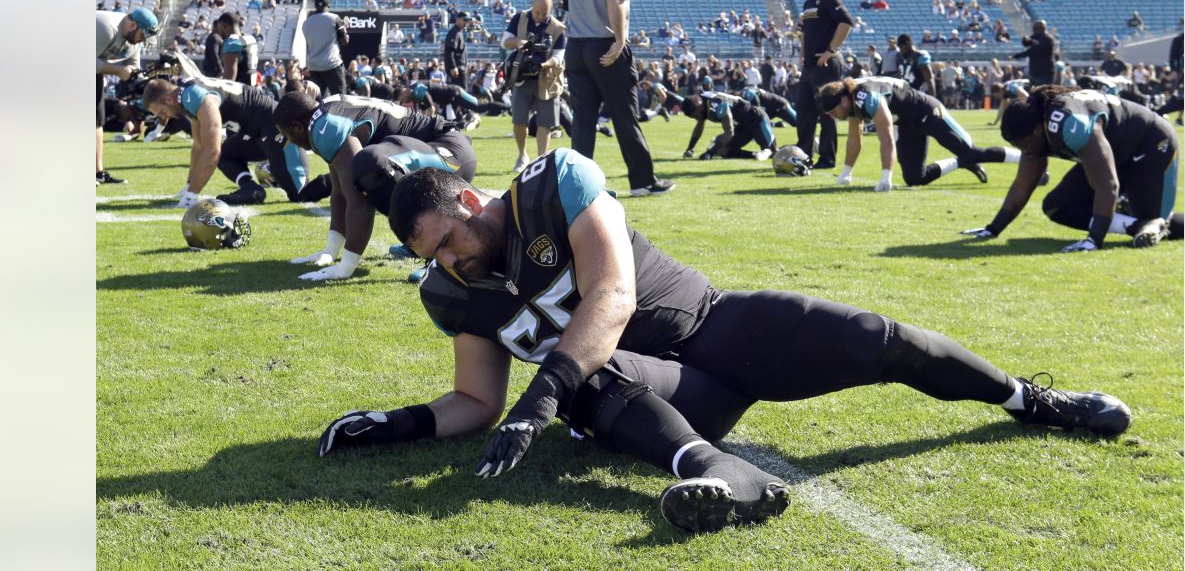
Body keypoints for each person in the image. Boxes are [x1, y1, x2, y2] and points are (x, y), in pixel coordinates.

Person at [315, 152, 1134, 535]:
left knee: (879, 340)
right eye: (433, 260)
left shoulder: (554, 182)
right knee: (589, 382)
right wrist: (400, 424)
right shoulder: (450, 292)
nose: (448, 264)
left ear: (468, 199)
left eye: (447, 244)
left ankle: (1029, 399)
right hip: (657, 391)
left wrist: (543, 395)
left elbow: (612, 294)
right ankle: (725, 478)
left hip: (713, 325)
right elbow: (476, 401)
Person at [272, 92, 475, 281]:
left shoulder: (324, 127)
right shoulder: (323, 117)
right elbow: (340, 192)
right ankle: (417, 243)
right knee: (368, 167)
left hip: (448, 153)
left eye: (287, 135)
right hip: (436, 150)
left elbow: (359, 199)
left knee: (371, 166)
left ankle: (437, 254)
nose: (292, 143)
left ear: (298, 126)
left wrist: (346, 267)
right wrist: (330, 251)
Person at [962, 86, 1183, 250]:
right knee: (1057, 206)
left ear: (1039, 129)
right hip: (1112, 150)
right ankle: (1137, 224)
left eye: (1025, 144)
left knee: (1161, 221)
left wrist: (1093, 240)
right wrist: (992, 229)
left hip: (1150, 146)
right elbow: (1022, 186)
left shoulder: (1070, 125)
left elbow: (1108, 184)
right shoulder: (1037, 128)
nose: (1025, 151)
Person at [561, 0, 673, 196]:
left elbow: (566, 10)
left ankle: (577, 187)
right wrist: (620, 41)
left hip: (576, 48)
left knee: (583, 120)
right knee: (625, 115)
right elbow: (615, 0)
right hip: (605, 45)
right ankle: (643, 181)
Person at [142, 53, 314, 206]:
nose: (166, 117)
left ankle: (329, 182)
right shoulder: (185, 98)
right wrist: (189, 184)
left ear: (168, 100)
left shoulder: (194, 97)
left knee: (300, 194)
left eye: (162, 112)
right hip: (252, 131)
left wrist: (192, 194)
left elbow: (212, 151)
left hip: (273, 124)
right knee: (226, 155)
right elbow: (199, 146)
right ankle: (250, 189)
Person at [819, 76, 1021, 189]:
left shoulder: (867, 97)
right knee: (915, 178)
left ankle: (1026, 158)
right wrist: (845, 175)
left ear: (844, 100)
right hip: (908, 124)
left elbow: (887, 138)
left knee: (971, 152)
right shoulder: (852, 102)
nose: (832, 116)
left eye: (833, 111)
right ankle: (960, 163)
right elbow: (854, 140)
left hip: (927, 111)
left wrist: (885, 178)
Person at [794, 0, 853, 170]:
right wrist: (802, 52)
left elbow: (846, 22)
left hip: (826, 63)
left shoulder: (829, 0)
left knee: (827, 112)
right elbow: (804, 32)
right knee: (804, 111)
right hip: (810, 64)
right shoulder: (807, 4)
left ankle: (827, 159)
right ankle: (803, 156)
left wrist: (831, 50)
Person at [501, 0, 567, 173]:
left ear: (550, 10)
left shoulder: (558, 28)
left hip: (547, 80)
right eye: (537, 12)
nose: (539, 16)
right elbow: (504, 41)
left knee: (545, 123)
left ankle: (541, 161)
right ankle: (522, 155)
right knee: (519, 121)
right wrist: (518, 42)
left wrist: (544, 64)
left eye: (544, 13)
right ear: (532, 5)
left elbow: (559, 56)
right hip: (522, 78)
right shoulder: (519, 18)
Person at [96, 8, 159, 185]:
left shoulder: (133, 38)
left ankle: (97, 172)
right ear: (132, 25)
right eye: (142, 35)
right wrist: (118, 71)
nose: (143, 40)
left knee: (96, 121)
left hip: (95, 72)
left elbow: (133, 67)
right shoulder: (105, 27)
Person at [679, 91, 776, 160]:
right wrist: (690, 148)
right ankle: (754, 155)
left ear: (700, 106)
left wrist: (710, 153)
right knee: (723, 150)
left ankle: (790, 148)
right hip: (742, 126)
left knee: (772, 152)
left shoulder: (717, 104)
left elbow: (729, 133)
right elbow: (699, 127)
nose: (697, 118)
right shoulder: (700, 103)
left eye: (696, 115)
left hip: (756, 119)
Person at [301, 0, 349, 95]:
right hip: (332, 64)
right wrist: (345, 27)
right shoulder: (334, 18)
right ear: (328, 5)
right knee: (339, 99)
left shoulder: (306, 23)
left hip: (314, 67)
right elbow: (344, 41)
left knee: (315, 100)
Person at [215, 12, 258, 86]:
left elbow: (229, 80)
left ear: (224, 26)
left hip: (240, 92)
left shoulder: (232, 43)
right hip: (254, 90)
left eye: (219, 30)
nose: (219, 34)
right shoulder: (250, 39)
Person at [1012, 20, 1057, 87]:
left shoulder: (1048, 39)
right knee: (1034, 95)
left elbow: (1033, 51)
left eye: (1036, 29)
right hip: (1034, 73)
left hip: (1045, 74)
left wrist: (1018, 55)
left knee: (1045, 94)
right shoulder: (1036, 37)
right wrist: (1025, 39)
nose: (1034, 31)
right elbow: (1026, 43)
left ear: (1042, 28)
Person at [443, 11, 470, 84]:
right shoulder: (454, 32)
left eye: (468, 21)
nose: (466, 23)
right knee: (459, 93)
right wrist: (453, 67)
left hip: (460, 69)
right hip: (457, 70)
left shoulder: (459, 32)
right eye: (465, 20)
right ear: (458, 20)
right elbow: (449, 50)